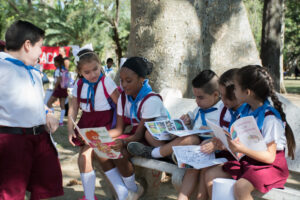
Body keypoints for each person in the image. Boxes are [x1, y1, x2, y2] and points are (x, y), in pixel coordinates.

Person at [127, 70, 223, 200]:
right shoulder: (200, 108)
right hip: (185, 146)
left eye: (200, 98)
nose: (196, 101)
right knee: (149, 134)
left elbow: (223, 135)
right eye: (195, 97)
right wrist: (186, 120)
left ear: (216, 94)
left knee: (192, 142)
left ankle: (155, 153)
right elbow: (192, 118)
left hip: (203, 149)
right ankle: (167, 154)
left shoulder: (223, 110)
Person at [204, 65, 296, 200]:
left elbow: (270, 158)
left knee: (241, 187)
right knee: (211, 175)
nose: (233, 91)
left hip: (270, 167)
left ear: (247, 92)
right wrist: (225, 144)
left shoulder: (270, 118)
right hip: (249, 161)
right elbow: (242, 144)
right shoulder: (245, 111)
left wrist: (242, 149)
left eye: (235, 88)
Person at [0, 20, 63, 199]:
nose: (41, 52)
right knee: (11, 193)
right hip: (12, 141)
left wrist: (47, 113)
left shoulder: (33, 71)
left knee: (44, 187)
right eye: (40, 47)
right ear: (27, 45)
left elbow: (34, 101)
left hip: (40, 138)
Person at [107, 56, 169, 199]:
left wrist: (122, 142)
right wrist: (97, 136)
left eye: (128, 81)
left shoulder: (151, 100)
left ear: (141, 79)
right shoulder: (123, 98)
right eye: (121, 80)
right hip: (135, 135)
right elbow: (119, 130)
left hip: (153, 137)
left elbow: (140, 134)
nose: (124, 85)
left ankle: (131, 190)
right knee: (102, 150)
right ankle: (126, 191)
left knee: (118, 153)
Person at [68, 47, 120, 200]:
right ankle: (123, 191)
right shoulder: (78, 84)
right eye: (87, 72)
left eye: (95, 69)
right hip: (87, 122)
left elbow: (120, 106)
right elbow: (74, 107)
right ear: (80, 73)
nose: (92, 74)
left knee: (86, 155)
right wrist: (70, 129)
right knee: (90, 156)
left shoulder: (107, 82)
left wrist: (119, 128)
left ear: (100, 64)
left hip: (104, 122)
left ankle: (93, 197)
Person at [47, 55, 68, 126]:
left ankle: (52, 119)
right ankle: (61, 121)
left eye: (55, 62)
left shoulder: (58, 70)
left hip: (58, 88)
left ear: (58, 62)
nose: (54, 63)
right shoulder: (64, 69)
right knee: (62, 105)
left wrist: (54, 89)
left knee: (49, 103)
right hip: (64, 88)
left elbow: (58, 80)